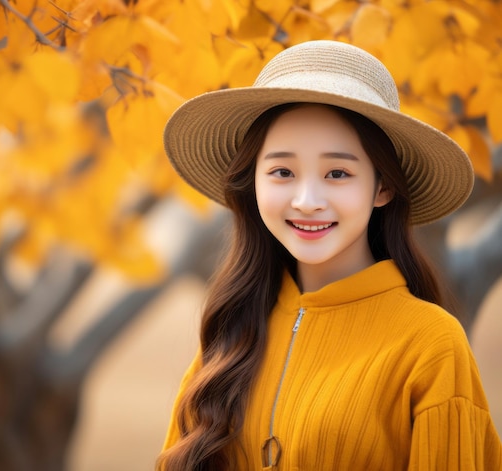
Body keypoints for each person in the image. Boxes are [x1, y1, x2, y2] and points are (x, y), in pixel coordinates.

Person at [156, 40, 502, 470]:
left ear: (382, 187)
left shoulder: (430, 343)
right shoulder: (231, 333)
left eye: (337, 173)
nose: (306, 200)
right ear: (254, 182)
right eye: (282, 172)